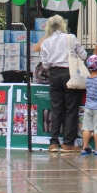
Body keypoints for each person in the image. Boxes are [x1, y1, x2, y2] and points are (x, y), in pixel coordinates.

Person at [32, 15, 86, 152]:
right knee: (70, 109)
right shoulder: (70, 38)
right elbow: (84, 55)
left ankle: (54, 142)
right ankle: (68, 143)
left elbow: (45, 64)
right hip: (69, 74)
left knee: (56, 109)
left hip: (54, 74)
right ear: (63, 25)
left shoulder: (46, 42)